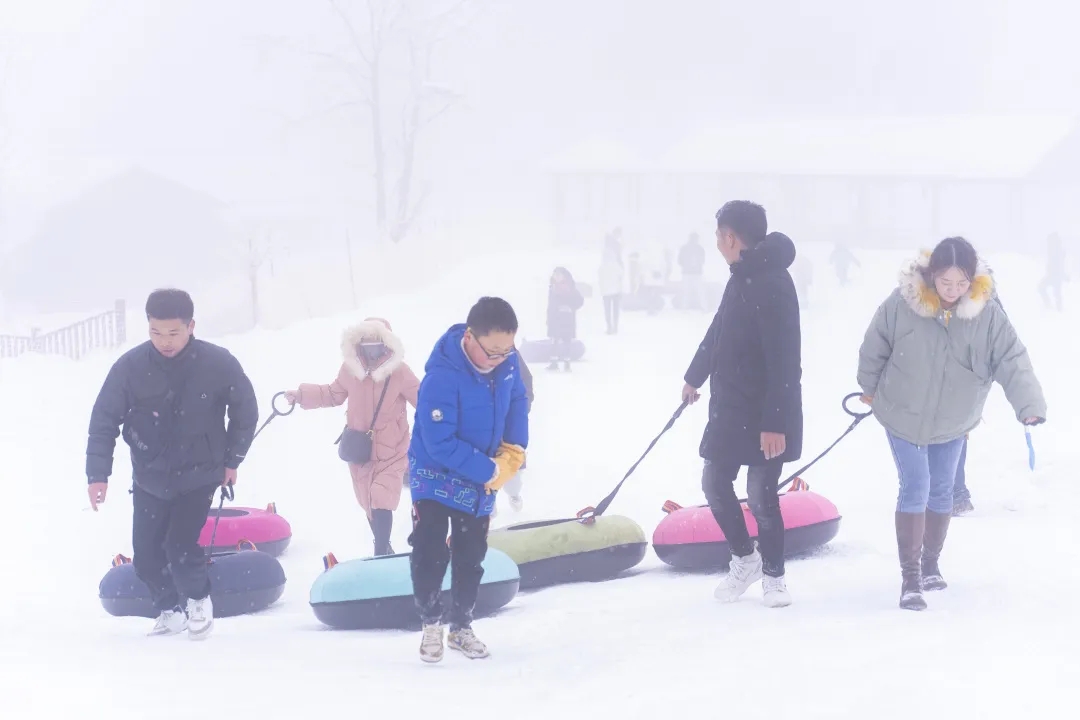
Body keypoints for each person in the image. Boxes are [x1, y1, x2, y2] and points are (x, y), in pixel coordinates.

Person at [857, 237, 1046, 611]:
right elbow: (875, 342)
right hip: (903, 411)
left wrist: (1028, 404)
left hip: (954, 416)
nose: (954, 292)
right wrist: (868, 386)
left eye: (962, 284)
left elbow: (1011, 356)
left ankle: (930, 565)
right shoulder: (903, 303)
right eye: (946, 283)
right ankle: (910, 578)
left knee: (942, 490)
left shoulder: (986, 313)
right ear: (932, 276)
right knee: (916, 485)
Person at [85, 289, 258, 639]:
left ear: (191, 326)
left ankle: (198, 599)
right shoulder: (130, 368)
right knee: (146, 558)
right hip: (150, 476)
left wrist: (232, 458)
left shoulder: (217, 363)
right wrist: (97, 474)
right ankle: (169, 609)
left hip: (199, 474)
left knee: (179, 548)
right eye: (156, 333)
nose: (164, 341)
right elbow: (103, 420)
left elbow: (245, 411)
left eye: (173, 333)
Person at [681, 200, 803, 608]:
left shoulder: (773, 281)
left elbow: (786, 359)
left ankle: (774, 576)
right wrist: (694, 375)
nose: (717, 242)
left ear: (731, 237)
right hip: (731, 406)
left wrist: (775, 422)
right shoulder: (741, 278)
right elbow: (719, 330)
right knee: (714, 483)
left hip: (768, 410)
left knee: (762, 495)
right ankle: (745, 558)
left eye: (719, 235)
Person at [407, 297, 529, 662]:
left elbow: (519, 401)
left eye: (507, 350)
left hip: (480, 472)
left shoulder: (506, 364)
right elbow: (438, 441)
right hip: (435, 472)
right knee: (430, 548)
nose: (500, 358)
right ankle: (431, 623)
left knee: (471, 552)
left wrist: (513, 448)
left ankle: (461, 627)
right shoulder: (442, 376)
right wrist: (489, 470)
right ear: (470, 338)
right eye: (492, 351)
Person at [284, 317, 419, 556]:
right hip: (360, 449)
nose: (371, 350)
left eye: (376, 343)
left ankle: (379, 551)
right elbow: (332, 394)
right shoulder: (350, 369)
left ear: (387, 343)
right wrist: (302, 395)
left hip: (392, 448)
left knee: (381, 496)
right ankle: (384, 547)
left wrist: (445, 415)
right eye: (365, 344)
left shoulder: (400, 372)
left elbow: (424, 400)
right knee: (369, 501)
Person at [493, 356, 533, 517]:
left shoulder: (511, 356)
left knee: (510, 469)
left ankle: (514, 493)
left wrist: (523, 405)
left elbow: (526, 381)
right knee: (484, 471)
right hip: (481, 429)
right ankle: (488, 505)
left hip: (506, 427)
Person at [546, 266, 585, 371]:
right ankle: (554, 363)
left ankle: (567, 363)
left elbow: (579, 301)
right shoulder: (552, 287)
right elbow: (551, 304)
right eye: (555, 275)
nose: (556, 277)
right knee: (554, 340)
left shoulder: (570, 288)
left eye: (558, 274)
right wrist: (549, 318)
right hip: (555, 318)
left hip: (566, 320)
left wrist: (570, 307)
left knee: (566, 340)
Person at [598, 231, 624, 334]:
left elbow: (600, 279)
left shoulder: (602, 267)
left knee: (607, 310)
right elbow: (621, 276)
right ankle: (615, 327)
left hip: (606, 292)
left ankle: (609, 326)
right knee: (615, 309)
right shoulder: (616, 266)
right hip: (616, 291)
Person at [677, 232, 707, 310]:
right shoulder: (699, 248)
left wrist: (686, 265)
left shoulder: (685, 248)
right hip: (695, 273)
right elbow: (702, 260)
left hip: (689, 273)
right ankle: (703, 307)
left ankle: (685, 307)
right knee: (698, 291)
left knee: (687, 291)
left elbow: (680, 261)